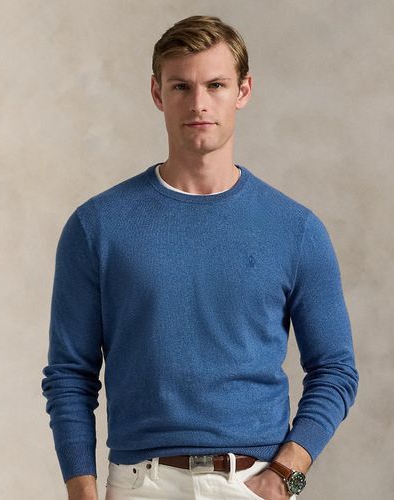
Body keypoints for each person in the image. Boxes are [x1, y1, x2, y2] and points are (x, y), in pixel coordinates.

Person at [41, 14, 359, 500]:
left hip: (254, 483)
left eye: (216, 85)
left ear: (243, 90)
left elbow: (335, 370)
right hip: (139, 483)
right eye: (181, 86)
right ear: (157, 93)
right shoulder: (97, 226)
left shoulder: (295, 229)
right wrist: (82, 493)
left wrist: (287, 476)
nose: (199, 103)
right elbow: (69, 376)